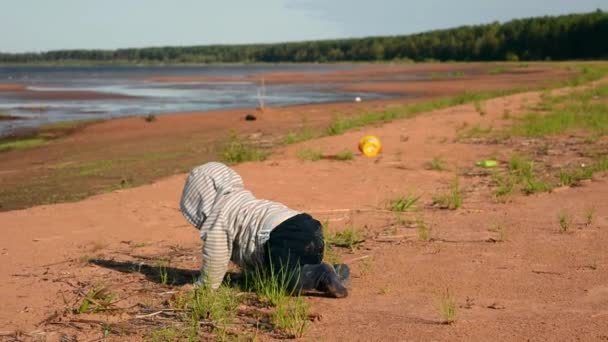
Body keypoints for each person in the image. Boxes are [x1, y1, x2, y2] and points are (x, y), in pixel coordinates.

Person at [179, 162, 349, 298]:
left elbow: (216, 255)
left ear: (200, 199)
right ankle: (328, 271)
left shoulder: (219, 216)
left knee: (283, 281)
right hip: (308, 226)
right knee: (290, 267)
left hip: (282, 234)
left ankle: (320, 273)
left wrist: (205, 286)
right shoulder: (244, 201)